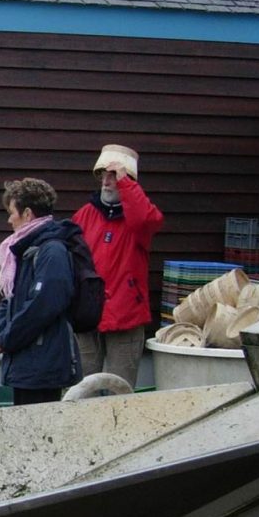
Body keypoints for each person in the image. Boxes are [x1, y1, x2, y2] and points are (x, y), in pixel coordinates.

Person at [71, 144, 163, 387]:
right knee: (81, 388)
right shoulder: (84, 215)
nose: (107, 181)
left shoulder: (138, 221)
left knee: (119, 391)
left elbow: (147, 219)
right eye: (104, 175)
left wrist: (127, 185)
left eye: (114, 176)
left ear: (128, 181)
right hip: (87, 316)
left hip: (126, 317)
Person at [0, 177, 82, 405]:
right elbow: (10, 298)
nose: (9, 220)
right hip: (26, 360)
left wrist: (8, 338)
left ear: (27, 213)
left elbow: (43, 305)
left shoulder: (52, 251)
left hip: (43, 364)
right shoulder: (24, 251)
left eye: (12, 212)